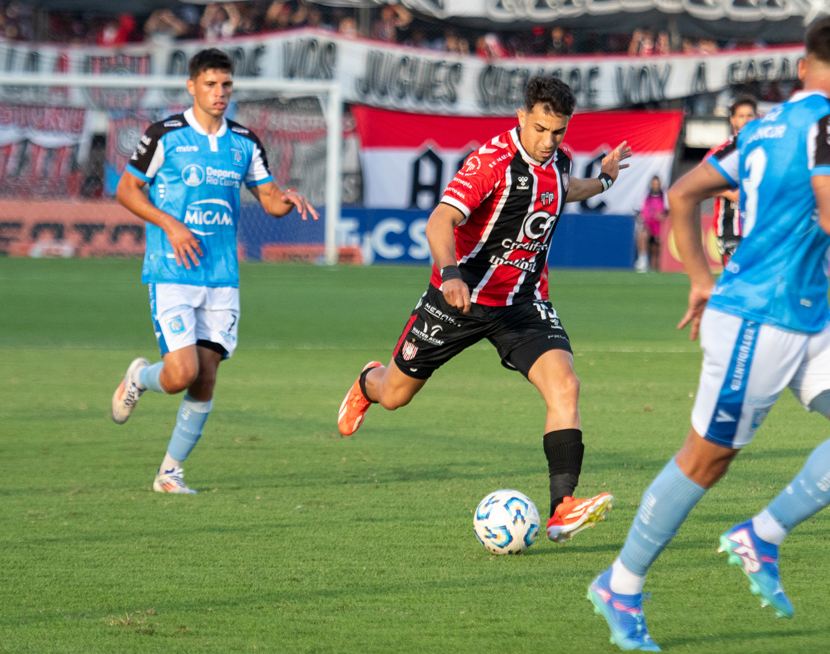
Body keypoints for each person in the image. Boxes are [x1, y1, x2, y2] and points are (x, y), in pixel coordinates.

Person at [586, 17, 830, 650]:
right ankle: (621, 582)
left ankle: (761, 536)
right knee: (706, 459)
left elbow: (686, 194)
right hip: (757, 319)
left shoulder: (760, 128)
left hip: (806, 317)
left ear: (802, 67)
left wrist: (697, 276)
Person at [336, 77, 633, 544]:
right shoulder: (491, 162)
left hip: (522, 302)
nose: (547, 140)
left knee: (565, 385)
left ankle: (562, 508)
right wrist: (451, 273)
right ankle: (366, 382)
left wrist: (605, 178)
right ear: (521, 118)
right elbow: (440, 219)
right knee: (395, 394)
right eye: (539, 129)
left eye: (557, 132)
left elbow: (563, 186)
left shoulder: (558, 158)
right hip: (461, 298)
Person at [109, 49, 318, 494]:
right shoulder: (164, 135)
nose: (219, 93)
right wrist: (170, 224)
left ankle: (169, 473)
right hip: (171, 270)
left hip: (222, 277)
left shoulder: (244, 142)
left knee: (205, 377)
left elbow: (269, 199)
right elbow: (127, 191)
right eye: (210, 84)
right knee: (180, 373)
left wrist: (288, 197)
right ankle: (139, 378)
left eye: (225, 85)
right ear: (192, 87)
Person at [704, 94, 758, 265]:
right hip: (730, 226)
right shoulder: (719, 152)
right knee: (736, 281)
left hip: (760, 225)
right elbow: (702, 185)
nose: (746, 120)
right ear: (732, 120)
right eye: (741, 116)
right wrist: (730, 193)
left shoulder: (767, 151)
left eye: (750, 115)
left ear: (757, 118)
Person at [635, 177, 667, 273]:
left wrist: (662, 215)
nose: (655, 186)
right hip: (648, 225)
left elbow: (668, 211)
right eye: (654, 184)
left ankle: (654, 268)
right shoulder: (645, 196)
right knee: (642, 235)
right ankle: (642, 260)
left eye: (657, 184)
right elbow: (641, 211)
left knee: (655, 251)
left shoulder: (664, 196)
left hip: (660, 226)